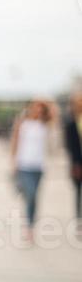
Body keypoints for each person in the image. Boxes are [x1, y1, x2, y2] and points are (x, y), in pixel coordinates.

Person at [10, 99, 53, 242]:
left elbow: (56, 113)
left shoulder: (45, 124)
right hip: (24, 164)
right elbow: (15, 142)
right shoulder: (23, 123)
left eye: (41, 108)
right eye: (36, 107)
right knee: (31, 194)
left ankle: (31, 225)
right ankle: (28, 227)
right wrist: (13, 161)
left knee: (35, 197)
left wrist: (45, 101)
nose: (38, 110)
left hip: (39, 166)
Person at [63, 91, 82, 231]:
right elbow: (70, 146)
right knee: (79, 193)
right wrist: (75, 164)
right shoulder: (70, 122)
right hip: (77, 163)